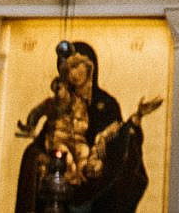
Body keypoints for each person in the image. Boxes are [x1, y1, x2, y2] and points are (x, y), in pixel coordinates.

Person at [13, 41, 161, 213]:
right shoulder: (61, 106)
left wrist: (137, 117)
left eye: (77, 66)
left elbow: (120, 141)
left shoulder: (106, 104)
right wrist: (41, 158)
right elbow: (40, 144)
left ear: (90, 65)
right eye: (67, 70)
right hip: (61, 194)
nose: (73, 74)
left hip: (98, 193)